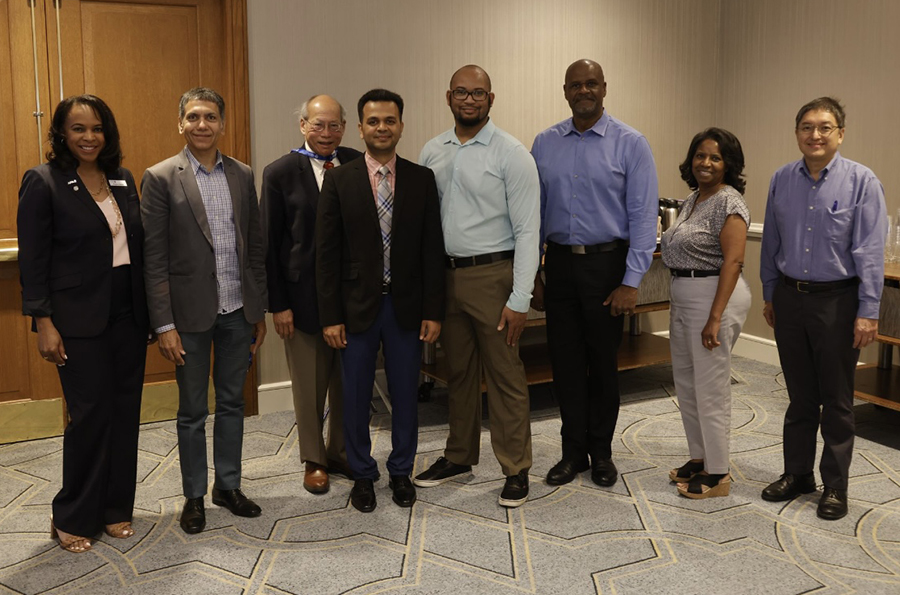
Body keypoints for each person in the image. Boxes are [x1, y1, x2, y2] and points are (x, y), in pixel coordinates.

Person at [18, 95, 150, 552]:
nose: (89, 137)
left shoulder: (122, 177)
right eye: (78, 129)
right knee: (89, 416)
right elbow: (33, 260)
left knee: (124, 413)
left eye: (96, 128)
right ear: (61, 134)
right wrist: (43, 322)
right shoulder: (43, 181)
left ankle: (115, 508)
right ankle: (71, 514)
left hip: (128, 314)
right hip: (76, 319)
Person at [141, 87, 268, 534]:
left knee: (232, 402)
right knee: (193, 410)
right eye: (193, 117)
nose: (202, 125)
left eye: (210, 117)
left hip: (237, 310)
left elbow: (254, 247)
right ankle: (193, 495)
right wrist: (163, 324)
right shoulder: (159, 177)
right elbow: (153, 258)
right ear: (181, 123)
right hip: (187, 319)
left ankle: (227, 486)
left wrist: (259, 310)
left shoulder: (242, 173)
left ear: (222, 124)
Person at [416, 65, 540, 508]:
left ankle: (515, 467)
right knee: (460, 373)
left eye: (479, 93)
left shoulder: (511, 153)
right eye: (462, 93)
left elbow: (529, 231)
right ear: (448, 96)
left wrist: (520, 298)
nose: (470, 100)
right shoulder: (432, 151)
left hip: (494, 276)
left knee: (505, 375)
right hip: (446, 279)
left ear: (492, 99)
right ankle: (459, 456)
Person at [530, 59, 658, 488]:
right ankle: (572, 454)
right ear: (565, 91)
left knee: (602, 365)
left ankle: (601, 453)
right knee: (564, 364)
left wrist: (631, 281)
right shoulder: (544, 143)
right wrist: (534, 273)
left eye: (591, 84)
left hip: (608, 267)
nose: (583, 91)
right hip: (561, 264)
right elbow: (533, 214)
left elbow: (643, 218)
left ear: (604, 88)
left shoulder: (631, 144)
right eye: (575, 85)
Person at [316, 89, 445, 513]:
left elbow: (432, 250)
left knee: (406, 391)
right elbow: (327, 255)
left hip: (406, 306)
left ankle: (401, 470)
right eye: (373, 121)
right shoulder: (339, 179)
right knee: (354, 395)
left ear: (401, 126)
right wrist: (331, 316)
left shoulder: (421, 179)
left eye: (390, 121)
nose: (382, 128)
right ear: (361, 128)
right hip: (355, 308)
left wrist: (433, 310)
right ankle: (363, 474)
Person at [760, 97, 886, 520]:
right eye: (807, 127)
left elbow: (870, 251)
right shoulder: (781, 179)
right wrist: (769, 293)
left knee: (836, 399)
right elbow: (772, 244)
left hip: (838, 301)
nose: (815, 135)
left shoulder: (862, 182)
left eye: (825, 127)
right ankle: (797, 474)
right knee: (798, 397)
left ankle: (835, 485)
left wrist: (868, 310)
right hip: (789, 299)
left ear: (840, 134)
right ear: (797, 132)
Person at [261, 95, 361, 494]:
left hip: (351, 297)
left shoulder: (356, 163)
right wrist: (278, 304)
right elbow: (269, 244)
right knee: (308, 383)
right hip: (300, 299)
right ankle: (314, 458)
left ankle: (340, 451)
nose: (326, 133)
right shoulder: (280, 172)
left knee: (347, 380)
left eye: (334, 125)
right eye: (318, 125)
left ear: (345, 127)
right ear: (302, 125)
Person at [661, 128, 751, 499]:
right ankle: (699, 458)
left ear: (728, 164)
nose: (706, 163)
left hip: (715, 294)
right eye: (700, 155)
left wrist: (715, 317)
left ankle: (718, 473)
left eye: (715, 157)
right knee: (686, 383)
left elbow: (734, 262)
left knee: (710, 387)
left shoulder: (730, 203)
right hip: (684, 294)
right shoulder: (693, 198)